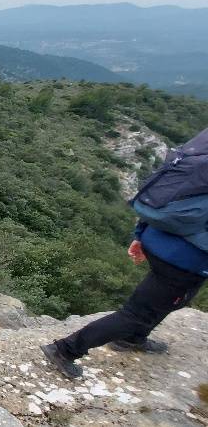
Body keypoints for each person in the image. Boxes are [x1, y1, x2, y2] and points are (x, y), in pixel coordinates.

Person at [41, 141, 208, 379]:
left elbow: (165, 197)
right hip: (184, 259)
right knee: (137, 314)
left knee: (170, 300)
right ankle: (65, 349)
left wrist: (141, 235)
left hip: (159, 239)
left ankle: (132, 338)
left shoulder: (199, 157)